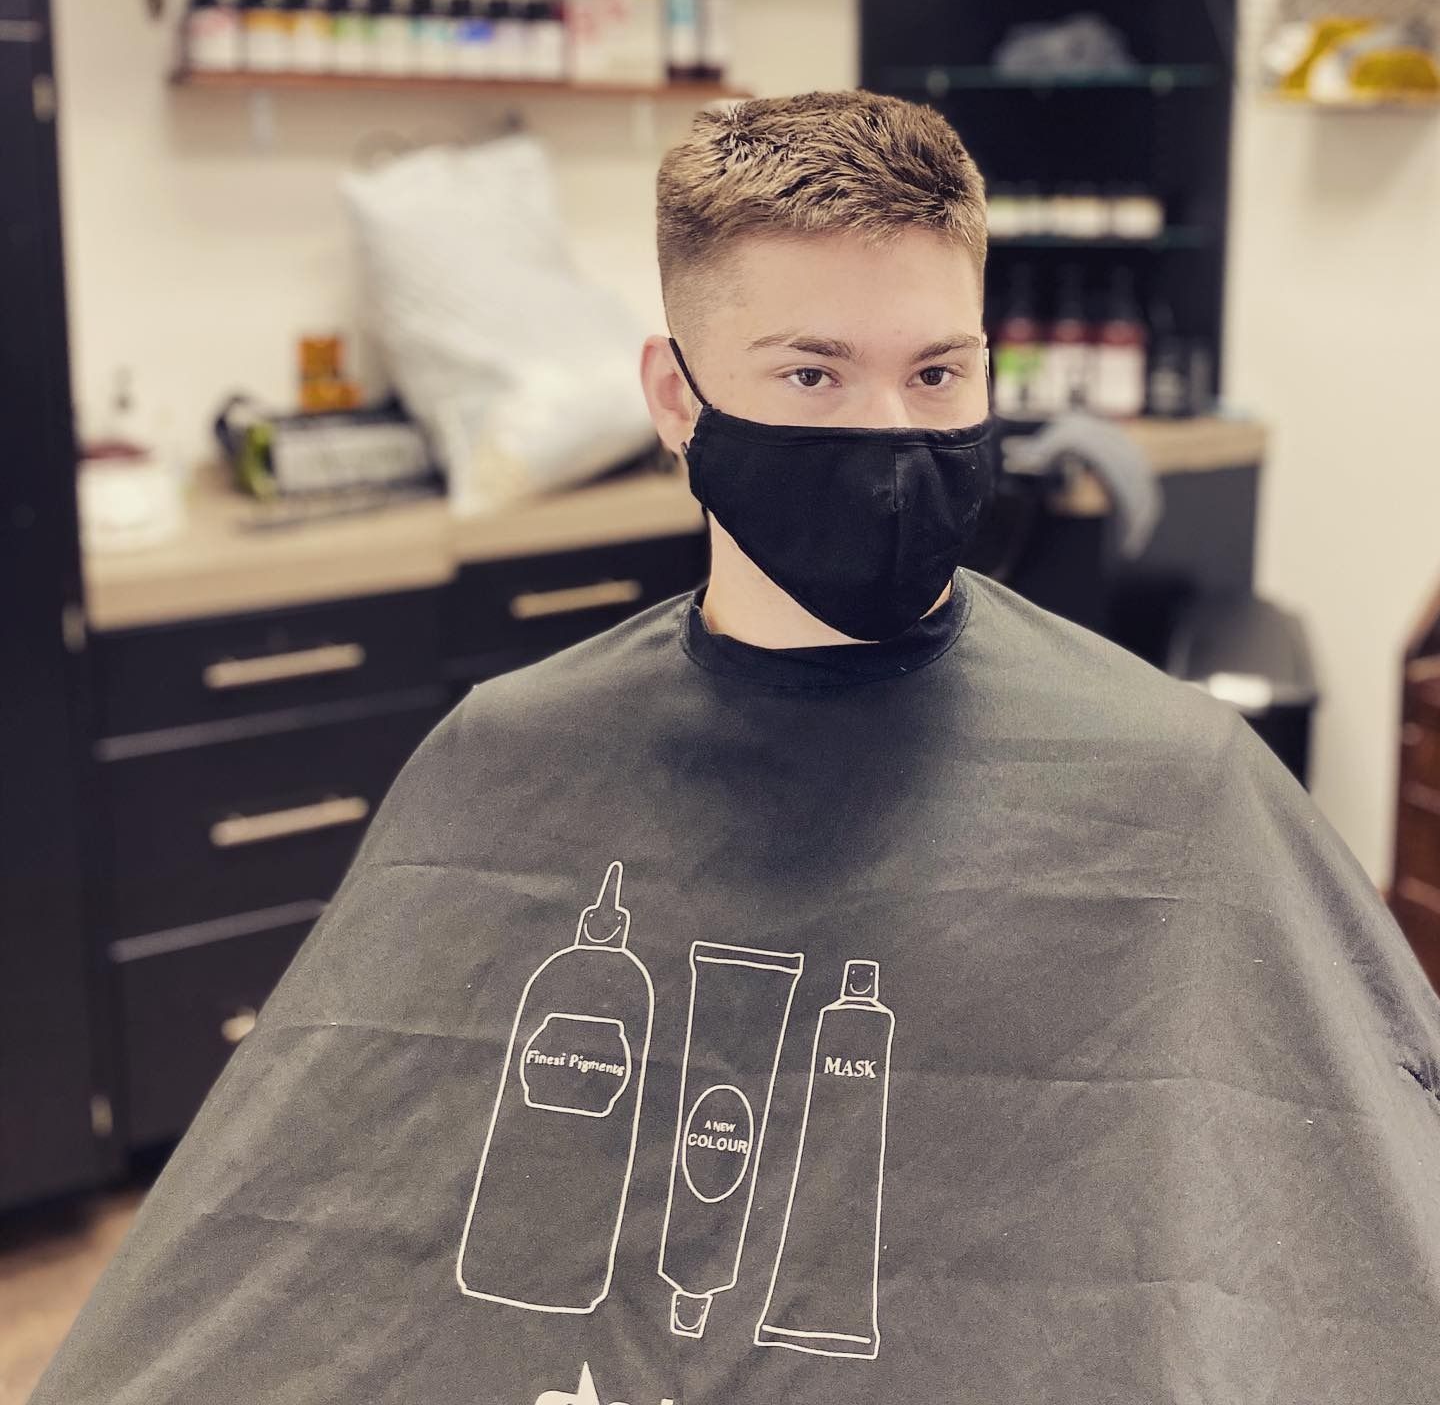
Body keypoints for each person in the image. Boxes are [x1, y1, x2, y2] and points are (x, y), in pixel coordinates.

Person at [29, 90, 1440, 1405]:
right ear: (676, 397)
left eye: (937, 372)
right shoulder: (504, 758)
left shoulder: (1178, 781)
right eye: (813, 375)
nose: (892, 432)